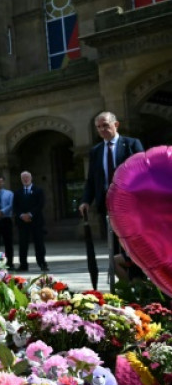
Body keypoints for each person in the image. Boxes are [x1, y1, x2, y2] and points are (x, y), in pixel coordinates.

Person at [78, 111, 144, 280]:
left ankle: (138, 281)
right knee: (114, 245)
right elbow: (92, 180)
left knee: (132, 244)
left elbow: (143, 173)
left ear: (116, 125)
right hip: (108, 206)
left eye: (105, 125)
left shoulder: (131, 144)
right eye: (98, 127)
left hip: (130, 205)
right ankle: (123, 286)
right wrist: (85, 201)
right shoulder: (96, 151)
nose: (102, 130)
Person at [12, 170, 48, 272]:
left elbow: (40, 204)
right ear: (21, 179)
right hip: (22, 222)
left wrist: (30, 214)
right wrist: (22, 215)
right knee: (23, 244)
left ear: (31, 178)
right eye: (23, 178)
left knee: (39, 243)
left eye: (27, 177)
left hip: (36, 221)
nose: (25, 179)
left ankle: (42, 263)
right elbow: (15, 207)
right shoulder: (17, 192)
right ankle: (23, 265)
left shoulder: (38, 190)